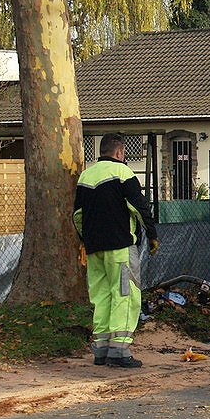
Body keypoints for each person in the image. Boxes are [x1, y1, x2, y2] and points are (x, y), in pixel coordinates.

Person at [73, 133, 159, 368]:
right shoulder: (123, 173)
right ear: (120, 153)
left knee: (101, 298)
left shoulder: (86, 176)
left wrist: (84, 240)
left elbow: (78, 216)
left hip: (93, 249)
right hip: (120, 247)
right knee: (124, 296)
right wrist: (152, 235)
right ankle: (119, 351)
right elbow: (140, 208)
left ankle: (100, 351)